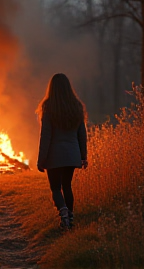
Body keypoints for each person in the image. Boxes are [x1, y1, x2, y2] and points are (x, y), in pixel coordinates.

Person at [36, 73, 88, 230]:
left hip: (54, 156)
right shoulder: (77, 107)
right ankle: (70, 218)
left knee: (55, 188)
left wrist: (41, 159)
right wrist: (83, 156)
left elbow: (46, 136)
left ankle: (63, 212)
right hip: (72, 155)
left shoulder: (48, 107)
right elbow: (82, 134)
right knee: (67, 186)